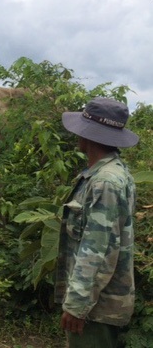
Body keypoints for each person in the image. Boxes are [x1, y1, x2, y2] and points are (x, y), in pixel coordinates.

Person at [55, 97, 139, 348]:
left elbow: (98, 250)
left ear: (89, 136)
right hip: (96, 303)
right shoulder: (106, 173)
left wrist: (77, 306)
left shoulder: (105, 182)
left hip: (95, 308)